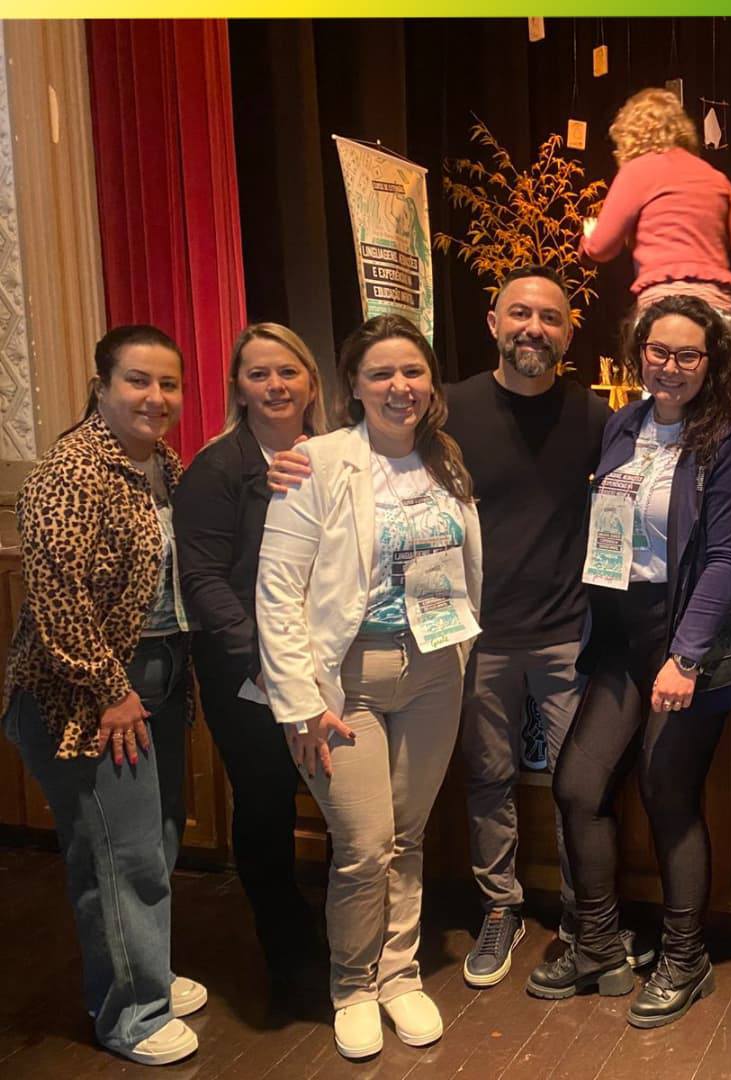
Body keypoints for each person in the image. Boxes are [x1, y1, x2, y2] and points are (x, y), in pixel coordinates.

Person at [267, 266, 624, 990]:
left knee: (577, 786)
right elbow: (357, 467)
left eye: (550, 317)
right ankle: (501, 907)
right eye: (518, 313)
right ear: (493, 323)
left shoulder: (593, 416)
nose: (533, 328)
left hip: (564, 634)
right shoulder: (444, 411)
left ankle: (584, 917)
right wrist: (277, 468)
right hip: (470, 639)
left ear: (568, 332)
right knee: (488, 781)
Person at [527, 295, 731, 1029]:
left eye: (689, 355)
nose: (671, 366)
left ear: (711, 364)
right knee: (577, 786)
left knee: (667, 793)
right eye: (659, 352)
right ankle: (598, 945)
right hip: (620, 632)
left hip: (683, 632)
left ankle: (686, 958)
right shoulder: (623, 425)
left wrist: (685, 657)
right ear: (639, 355)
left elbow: (725, 559)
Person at [257, 314, 483, 1059]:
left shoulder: (446, 459)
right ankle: (352, 985)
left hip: (434, 668)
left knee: (408, 836)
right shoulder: (316, 462)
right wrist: (300, 703)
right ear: (352, 384)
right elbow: (277, 592)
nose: (399, 386)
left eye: (412, 372)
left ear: (431, 384)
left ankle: (400, 974)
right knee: (363, 842)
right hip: (346, 677)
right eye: (381, 372)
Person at [1, 326, 204, 1066]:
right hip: (85, 693)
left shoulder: (164, 465)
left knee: (156, 839)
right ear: (101, 386)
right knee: (120, 857)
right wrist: (111, 692)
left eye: (168, 384)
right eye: (137, 381)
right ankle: (131, 1014)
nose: (155, 397)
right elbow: (59, 602)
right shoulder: (69, 471)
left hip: (159, 674)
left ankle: (146, 970)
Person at [172, 323, 329, 1011]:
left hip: (322, 661)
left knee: (342, 799)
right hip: (248, 672)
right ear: (238, 387)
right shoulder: (217, 468)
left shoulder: (332, 455)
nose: (275, 385)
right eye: (258, 373)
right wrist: (265, 662)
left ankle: (342, 936)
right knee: (266, 804)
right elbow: (203, 581)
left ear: (311, 382)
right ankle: (288, 958)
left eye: (287, 371)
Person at [582, 88, 731, 330]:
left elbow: (602, 248)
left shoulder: (636, 171)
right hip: (716, 304)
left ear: (630, 134)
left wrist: (589, 241)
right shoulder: (716, 178)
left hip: (662, 306)